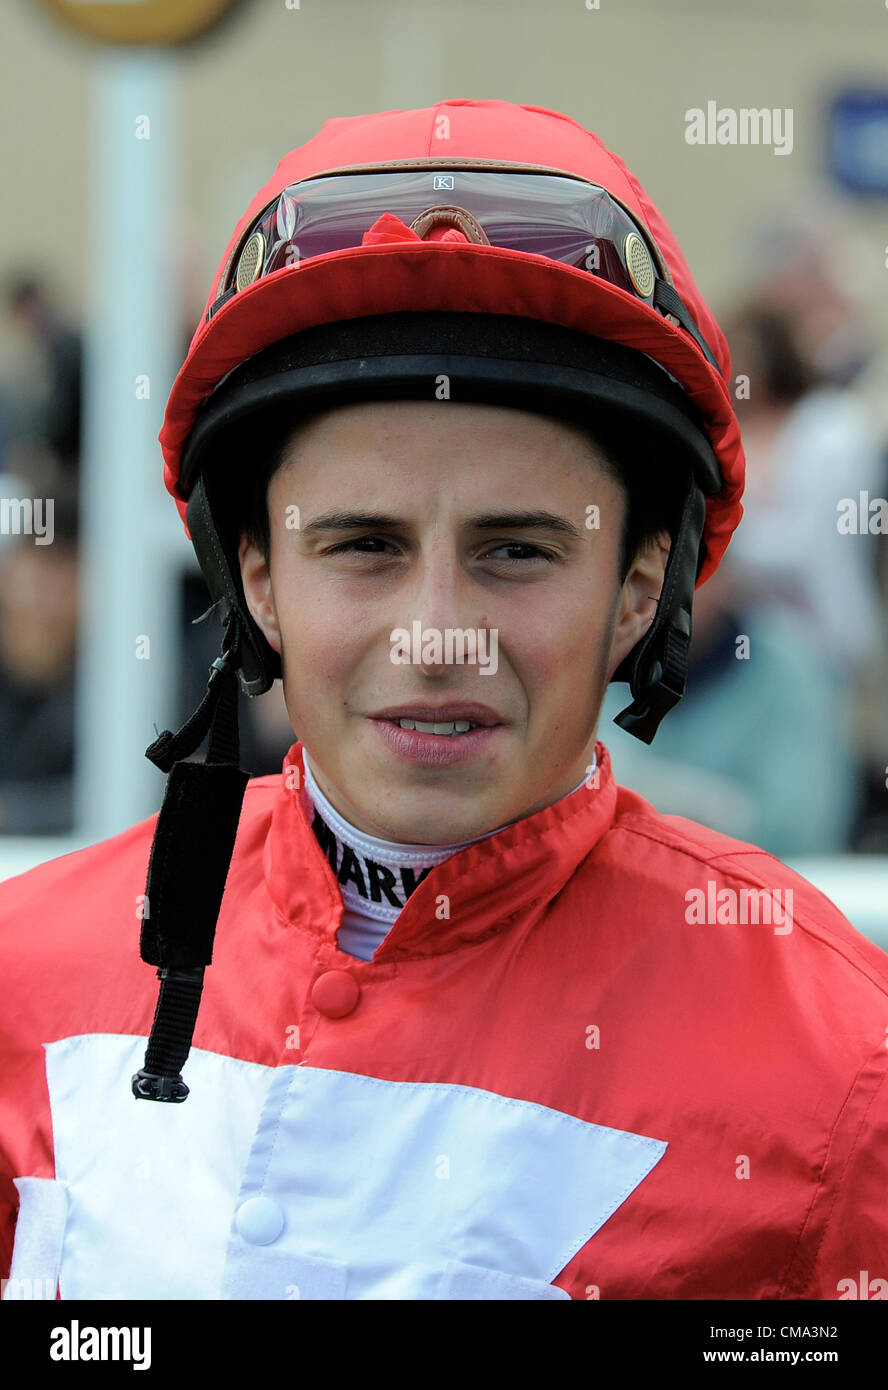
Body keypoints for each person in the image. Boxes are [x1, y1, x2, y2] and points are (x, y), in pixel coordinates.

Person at [1, 100, 886, 1303]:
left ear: (637, 591)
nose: (435, 633)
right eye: (362, 544)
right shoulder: (21, 973)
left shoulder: (843, 1061)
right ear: (259, 578)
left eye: (515, 551)